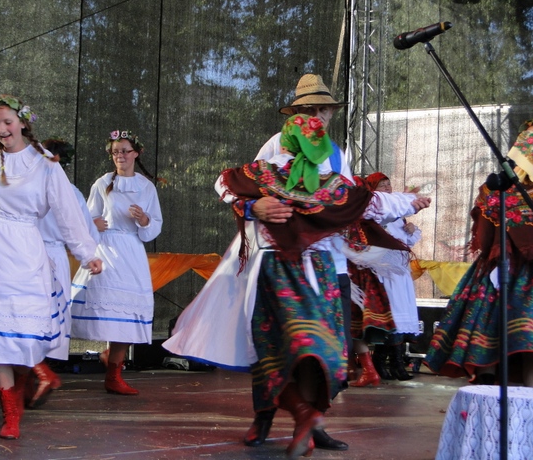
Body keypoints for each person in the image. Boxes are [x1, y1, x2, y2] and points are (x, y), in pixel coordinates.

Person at [165, 112, 430, 459]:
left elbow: (368, 202)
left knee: (299, 350)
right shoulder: (297, 174)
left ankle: (308, 421)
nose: (320, 121)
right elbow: (370, 203)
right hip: (293, 269)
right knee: (292, 349)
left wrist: (407, 202)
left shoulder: (314, 176)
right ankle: (282, 418)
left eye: (324, 111)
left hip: (316, 271)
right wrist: (252, 206)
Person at [0, 95, 103, 439]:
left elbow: (68, 212)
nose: (2, 129)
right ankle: (10, 414)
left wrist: (87, 253)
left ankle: (33, 376)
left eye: (8, 122)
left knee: (27, 324)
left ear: (23, 123)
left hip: (24, 246)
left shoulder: (45, 164)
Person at [425, 120, 533, 387]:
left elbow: (485, 236)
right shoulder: (500, 187)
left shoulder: (500, 189)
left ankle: (501, 389)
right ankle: (509, 392)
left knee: (498, 326)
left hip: (506, 267)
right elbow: (486, 235)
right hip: (509, 268)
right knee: (521, 336)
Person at [71, 129, 163, 396]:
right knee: (107, 303)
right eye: (115, 152)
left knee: (129, 311)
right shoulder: (103, 183)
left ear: (136, 153)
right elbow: (87, 217)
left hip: (131, 251)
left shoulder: (146, 187)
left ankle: (113, 372)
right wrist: (93, 224)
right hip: (107, 248)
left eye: (124, 151)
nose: (120, 156)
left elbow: (154, 225)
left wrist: (144, 220)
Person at [24, 137, 101, 408]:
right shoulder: (72, 192)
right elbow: (88, 232)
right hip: (56, 254)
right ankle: (37, 373)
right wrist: (87, 253)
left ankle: (34, 375)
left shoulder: (26, 186)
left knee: (25, 313)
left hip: (28, 251)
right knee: (50, 314)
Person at [349, 172, 422, 384]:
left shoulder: (393, 213)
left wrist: (411, 229)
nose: (388, 188)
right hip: (380, 270)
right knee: (388, 314)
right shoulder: (374, 213)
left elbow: (406, 239)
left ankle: (390, 364)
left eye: (389, 184)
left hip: (396, 269)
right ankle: (378, 364)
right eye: (382, 185)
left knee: (396, 313)